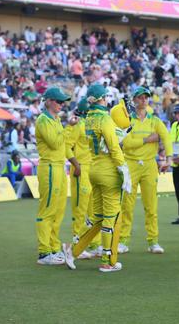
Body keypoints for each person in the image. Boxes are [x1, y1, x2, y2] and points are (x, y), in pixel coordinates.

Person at [62, 83, 132, 272]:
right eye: (105, 97)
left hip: (93, 168)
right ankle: (108, 261)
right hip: (108, 171)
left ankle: (73, 250)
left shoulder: (89, 119)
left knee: (98, 217)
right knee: (112, 216)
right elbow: (112, 146)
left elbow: (103, 144)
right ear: (102, 98)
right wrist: (123, 167)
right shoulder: (105, 118)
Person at [119, 86, 171, 254]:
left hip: (149, 165)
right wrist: (148, 139)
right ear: (134, 100)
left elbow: (166, 137)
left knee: (151, 206)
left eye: (146, 97)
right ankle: (123, 241)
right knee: (127, 205)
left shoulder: (155, 120)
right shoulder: (127, 121)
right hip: (131, 164)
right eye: (140, 97)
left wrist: (169, 158)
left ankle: (153, 241)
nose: (144, 100)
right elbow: (126, 143)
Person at [35, 87, 71, 265]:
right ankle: (44, 252)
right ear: (48, 101)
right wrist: (67, 129)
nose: (61, 105)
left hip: (58, 167)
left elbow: (61, 145)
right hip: (49, 167)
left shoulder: (55, 119)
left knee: (58, 211)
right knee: (48, 210)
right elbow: (56, 143)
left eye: (62, 102)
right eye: (58, 101)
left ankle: (54, 247)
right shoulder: (43, 120)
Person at [64, 97, 99, 259]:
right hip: (81, 170)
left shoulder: (92, 125)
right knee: (80, 209)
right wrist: (77, 165)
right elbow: (66, 147)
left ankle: (93, 243)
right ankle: (77, 243)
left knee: (94, 210)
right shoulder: (79, 125)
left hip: (92, 170)